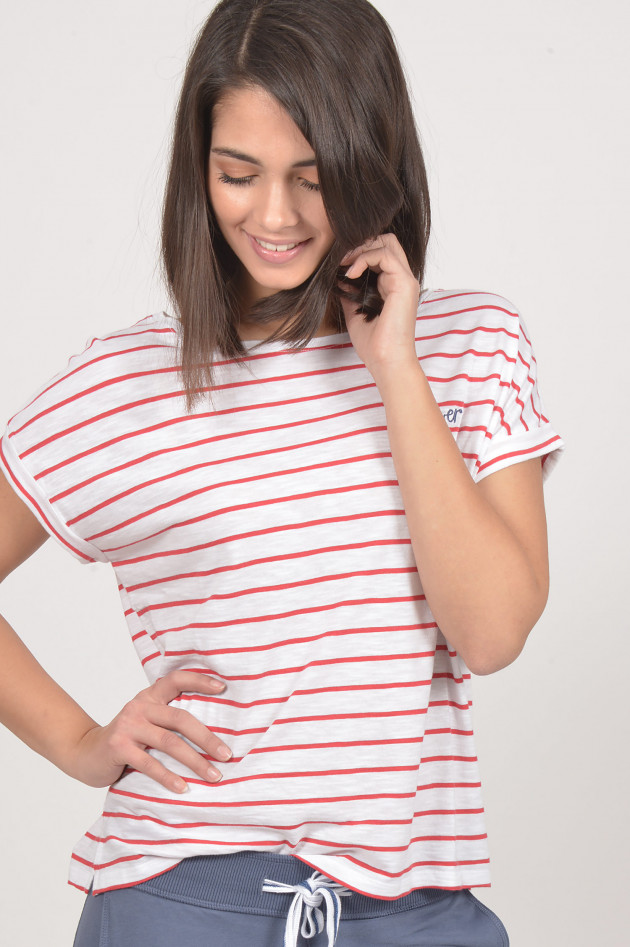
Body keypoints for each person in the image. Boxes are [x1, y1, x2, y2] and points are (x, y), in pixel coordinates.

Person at [0, 0, 563, 944]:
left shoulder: (469, 345)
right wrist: (80, 743)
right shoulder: (126, 381)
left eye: (313, 177)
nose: (274, 215)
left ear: (372, 159)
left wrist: (395, 367)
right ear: (199, 170)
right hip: (183, 900)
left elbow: (493, 629)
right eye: (238, 173)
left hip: (417, 909)